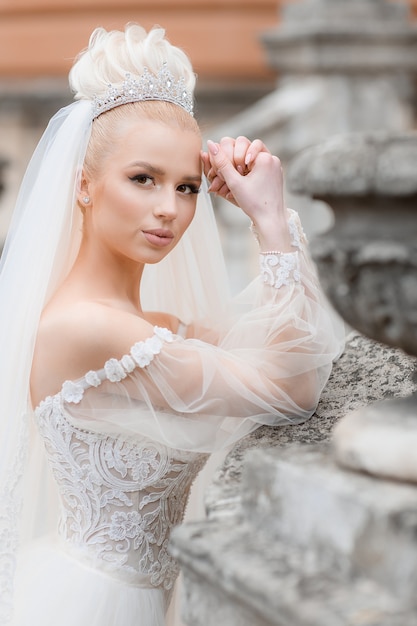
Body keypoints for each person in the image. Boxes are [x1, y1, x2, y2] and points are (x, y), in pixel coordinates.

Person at [0, 23, 344, 626]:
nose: (170, 208)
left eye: (187, 187)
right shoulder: (89, 330)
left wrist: (264, 217)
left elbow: (294, 354)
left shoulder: (151, 325)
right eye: (143, 179)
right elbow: (292, 387)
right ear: (83, 184)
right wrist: (268, 220)